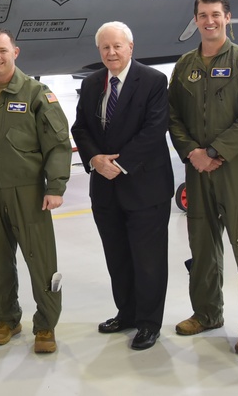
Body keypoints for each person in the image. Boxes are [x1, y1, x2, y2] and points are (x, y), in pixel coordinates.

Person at [167, 0, 238, 355]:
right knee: (202, 245)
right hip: (197, 170)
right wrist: (193, 153)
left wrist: (214, 151)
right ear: (195, 20)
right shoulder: (184, 66)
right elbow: (174, 116)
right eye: (202, 15)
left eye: (215, 14)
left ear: (227, 17)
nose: (208, 21)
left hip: (236, 169)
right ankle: (207, 312)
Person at [0, 29, 71, 354]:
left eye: (2, 51)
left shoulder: (37, 93)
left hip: (29, 192)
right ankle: (7, 319)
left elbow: (58, 143)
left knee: (41, 261)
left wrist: (55, 186)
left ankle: (46, 326)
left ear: (15, 52)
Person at [70, 22, 174, 351]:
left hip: (145, 187)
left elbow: (155, 129)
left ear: (131, 47)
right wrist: (95, 159)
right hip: (105, 188)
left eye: (117, 46)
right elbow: (80, 127)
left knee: (148, 260)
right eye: (105, 48)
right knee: (117, 257)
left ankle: (148, 322)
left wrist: (119, 164)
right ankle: (126, 312)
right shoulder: (90, 84)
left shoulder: (154, 81)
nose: (111, 53)